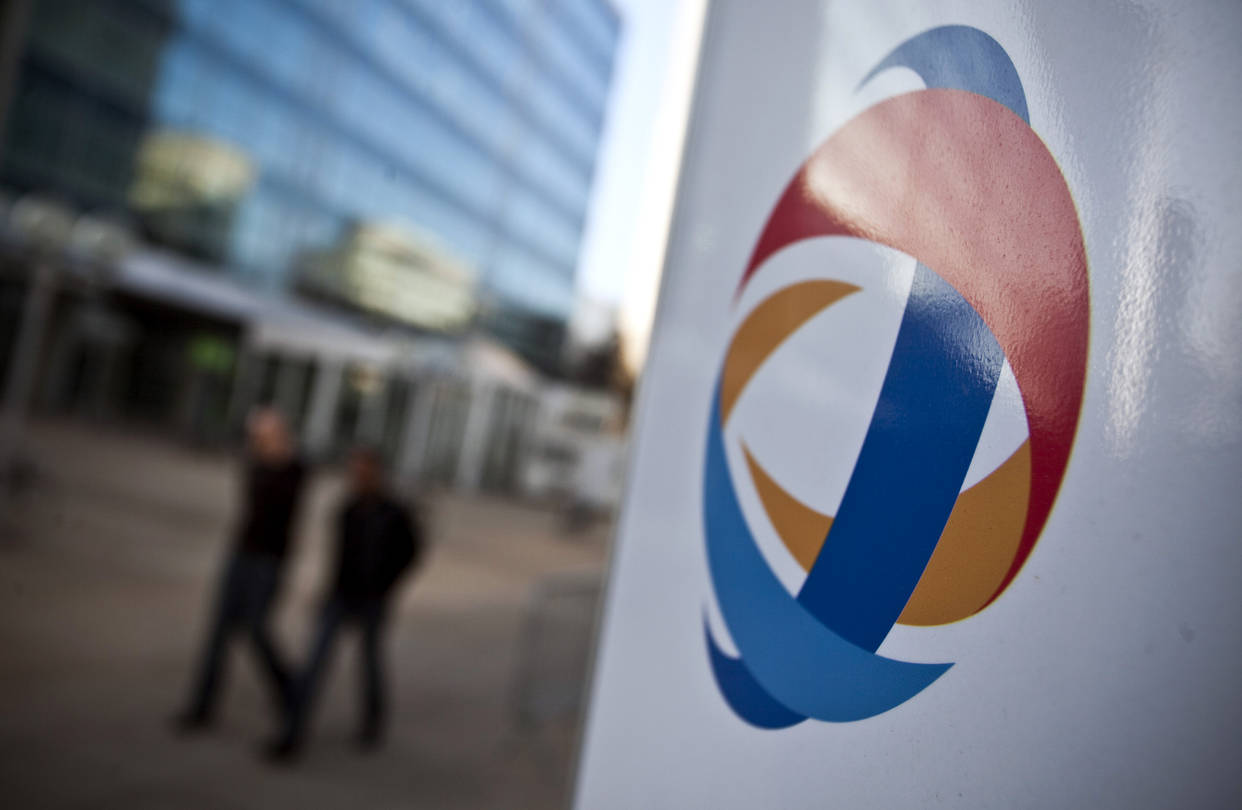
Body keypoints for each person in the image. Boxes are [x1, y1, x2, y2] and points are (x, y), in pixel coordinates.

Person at [267, 445, 423, 760]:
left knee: (369, 663)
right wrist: (325, 591)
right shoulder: (347, 510)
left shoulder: (395, 512)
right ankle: (292, 732)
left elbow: (411, 552)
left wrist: (387, 584)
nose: (358, 477)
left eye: (364, 471)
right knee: (314, 663)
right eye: (355, 471)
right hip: (339, 596)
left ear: (376, 473)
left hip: (373, 600)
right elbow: (338, 558)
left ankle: (372, 721)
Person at [174, 408, 306, 732]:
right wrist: (262, 454)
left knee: (256, 628)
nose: (259, 440)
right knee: (218, 632)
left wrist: (276, 451)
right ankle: (202, 705)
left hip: (269, 560)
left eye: (265, 434)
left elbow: (282, 501)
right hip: (242, 554)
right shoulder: (257, 464)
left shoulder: (294, 468)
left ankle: (288, 686)